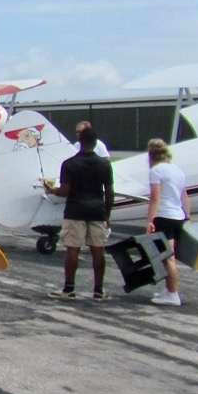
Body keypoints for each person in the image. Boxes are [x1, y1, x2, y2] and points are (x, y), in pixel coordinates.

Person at [42, 124, 114, 300]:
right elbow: (109, 191)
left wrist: (52, 190)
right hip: (96, 209)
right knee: (98, 250)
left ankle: (69, 288)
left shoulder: (70, 164)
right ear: (96, 142)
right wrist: (107, 213)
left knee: (73, 249)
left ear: (79, 142)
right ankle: (98, 289)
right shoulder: (104, 164)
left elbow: (65, 191)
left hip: (75, 209)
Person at [145, 138, 189, 306]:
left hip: (164, 216)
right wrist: (187, 216)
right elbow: (183, 195)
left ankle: (173, 294)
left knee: (167, 257)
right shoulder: (177, 170)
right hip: (178, 216)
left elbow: (155, 197)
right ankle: (169, 289)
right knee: (169, 257)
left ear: (151, 155)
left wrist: (150, 220)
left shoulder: (156, 171)